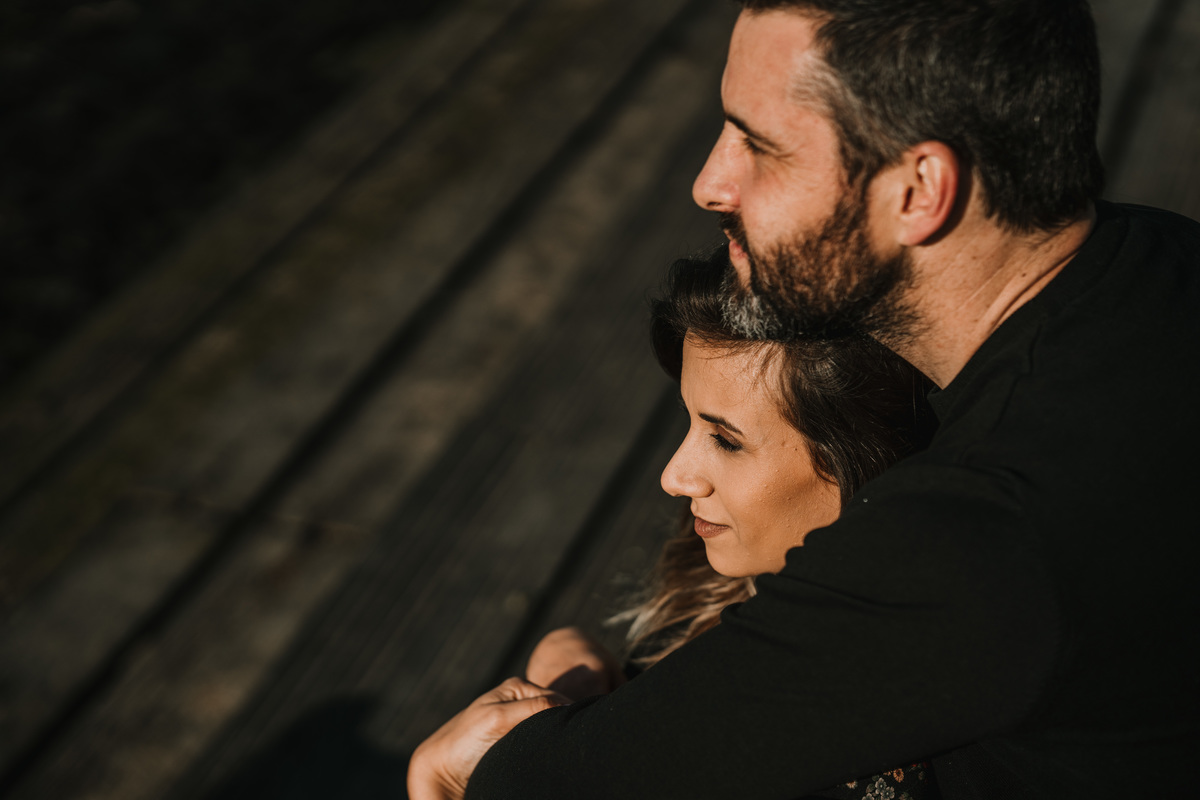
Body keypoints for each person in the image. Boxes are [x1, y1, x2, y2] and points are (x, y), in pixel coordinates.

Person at [409, 1, 1200, 797]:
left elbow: (545, 784)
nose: (709, 184)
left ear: (919, 189)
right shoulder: (1162, 260)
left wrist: (447, 771)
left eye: (759, 145)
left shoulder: (983, 531)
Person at [523, 251, 938, 799]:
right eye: (690, 422)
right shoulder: (727, 583)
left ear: (860, 461)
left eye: (726, 440)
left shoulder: (853, 730)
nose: (674, 477)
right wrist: (574, 662)